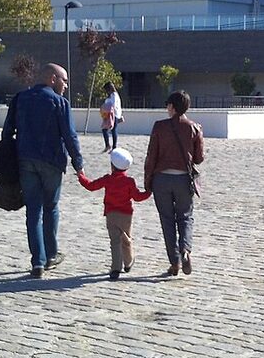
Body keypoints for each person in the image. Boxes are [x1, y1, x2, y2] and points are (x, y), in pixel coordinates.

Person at [2, 63, 85, 278]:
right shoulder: (59, 103)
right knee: (51, 208)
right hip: (51, 161)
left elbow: (7, 132)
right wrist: (78, 163)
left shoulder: (20, 99)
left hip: (26, 160)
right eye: (64, 80)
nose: (66, 85)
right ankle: (50, 255)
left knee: (33, 212)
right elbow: (69, 135)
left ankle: (37, 262)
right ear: (52, 78)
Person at [144, 90, 204, 276]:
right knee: (185, 216)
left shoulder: (159, 127)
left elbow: (151, 156)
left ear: (171, 106)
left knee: (167, 220)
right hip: (183, 179)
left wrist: (148, 181)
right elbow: (199, 158)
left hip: (162, 179)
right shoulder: (194, 127)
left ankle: (174, 262)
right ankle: (185, 250)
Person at [77, 147, 150, 280]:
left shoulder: (107, 179)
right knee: (126, 238)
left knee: (115, 241)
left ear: (112, 166)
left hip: (111, 214)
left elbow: (91, 186)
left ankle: (116, 268)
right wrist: (149, 191)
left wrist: (81, 176)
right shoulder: (129, 182)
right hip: (126, 215)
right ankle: (128, 262)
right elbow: (138, 197)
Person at [101, 82, 123, 153]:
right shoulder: (111, 96)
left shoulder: (114, 95)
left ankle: (114, 146)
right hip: (109, 115)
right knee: (105, 129)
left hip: (114, 115)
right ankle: (108, 145)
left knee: (113, 130)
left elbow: (113, 105)